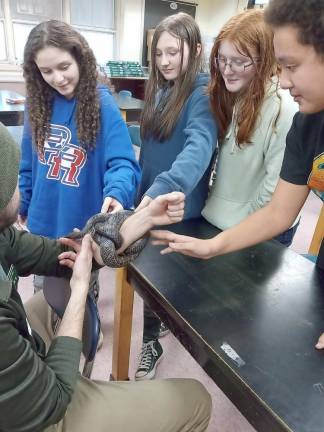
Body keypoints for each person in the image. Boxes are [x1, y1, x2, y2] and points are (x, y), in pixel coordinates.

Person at [0, 123, 211, 432]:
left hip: (18, 363)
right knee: (197, 399)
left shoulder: (4, 236)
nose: (21, 184)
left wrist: (143, 218)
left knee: (45, 303)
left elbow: (62, 254)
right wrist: (80, 290)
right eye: (14, 180)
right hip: (39, 415)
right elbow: (52, 402)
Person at [150, 0, 324, 350]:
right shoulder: (307, 121)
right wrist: (213, 246)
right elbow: (279, 210)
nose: (284, 79)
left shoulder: (285, 111)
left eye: (290, 65)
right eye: (280, 65)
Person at [18, 20, 140, 298]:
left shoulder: (102, 104)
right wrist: (20, 203)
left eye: (64, 67)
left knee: (79, 297)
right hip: (41, 224)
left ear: (80, 59)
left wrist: (117, 192)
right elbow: (28, 166)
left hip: (78, 228)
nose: (58, 78)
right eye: (46, 71)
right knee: (42, 295)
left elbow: (122, 162)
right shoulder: (36, 105)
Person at [135, 12, 218, 380]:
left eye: (174, 52)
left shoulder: (203, 91)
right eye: (159, 53)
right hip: (150, 200)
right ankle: (156, 328)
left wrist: (161, 189)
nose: (165, 61)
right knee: (150, 276)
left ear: (196, 50)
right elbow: (150, 151)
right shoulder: (159, 88)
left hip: (174, 206)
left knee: (159, 282)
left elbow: (198, 148)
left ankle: (150, 341)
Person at [201, 9, 298, 246]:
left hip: (255, 230)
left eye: (240, 62)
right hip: (222, 219)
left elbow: (272, 195)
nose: (227, 69)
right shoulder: (237, 93)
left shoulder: (282, 108)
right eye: (222, 59)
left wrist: (235, 235)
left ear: (266, 58)